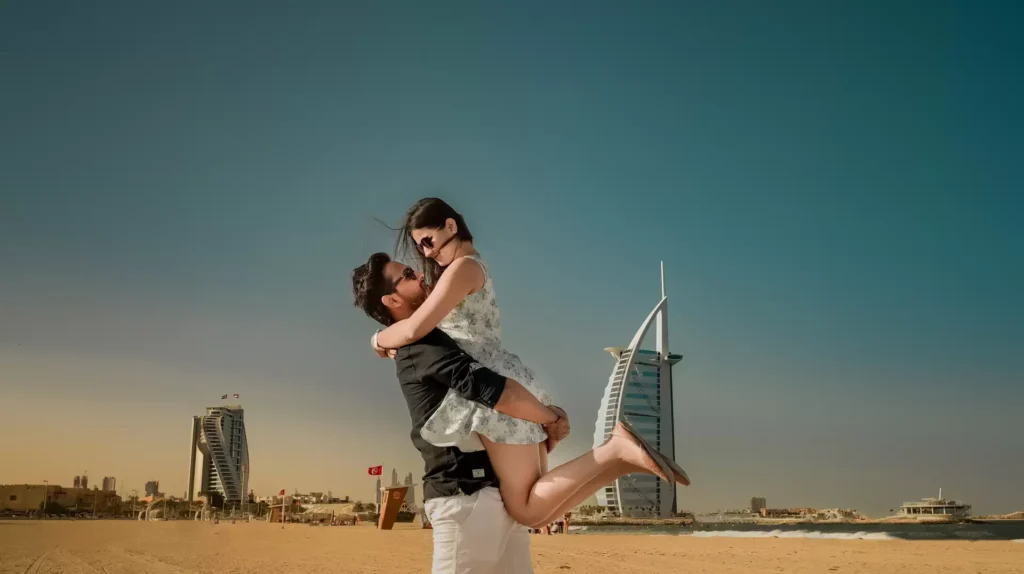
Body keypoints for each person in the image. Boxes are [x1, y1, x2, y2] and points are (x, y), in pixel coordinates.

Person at [369, 199, 689, 528]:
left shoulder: (463, 268)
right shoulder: (469, 267)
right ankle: (622, 460)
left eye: (427, 241)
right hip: (508, 375)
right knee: (545, 509)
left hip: (495, 391)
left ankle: (614, 451)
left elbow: (414, 328)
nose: (425, 252)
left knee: (527, 510)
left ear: (450, 227)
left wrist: (378, 340)